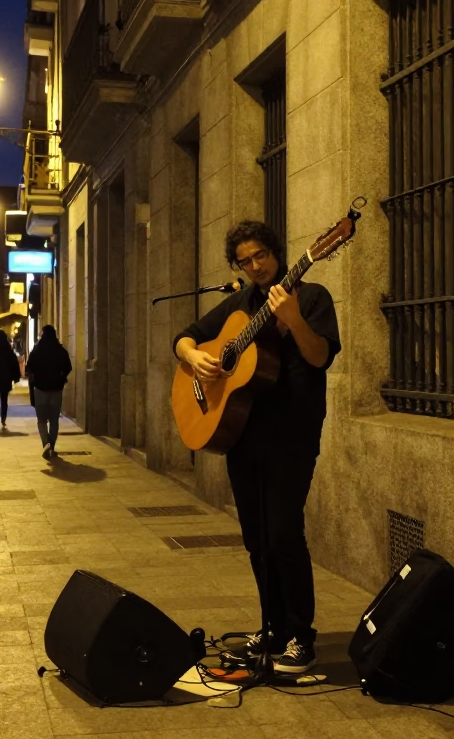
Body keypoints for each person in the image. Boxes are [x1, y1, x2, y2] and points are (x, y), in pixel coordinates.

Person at [172, 220, 340, 675]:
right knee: (256, 539)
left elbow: (320, 356)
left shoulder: (311, 297)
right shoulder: (240, 304)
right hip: (242, 436)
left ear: (276, 252)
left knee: (284, 535)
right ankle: (272, 627)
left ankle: (301, 636)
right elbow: (183, 337)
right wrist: (194, 356)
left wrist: (294, 321)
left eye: (260, 255)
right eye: (244, 261)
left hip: (292, 434)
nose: (254, 266)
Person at [25, 325, 72, 460]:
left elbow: (29, 368)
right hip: (56, 389)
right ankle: (51, 446)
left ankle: (45, 443)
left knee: (41, 420)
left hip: (40, 389)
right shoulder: (60, 350)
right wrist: (61, 377)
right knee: (54, 420)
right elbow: (68, 367)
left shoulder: (37, 350)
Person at [0, 329, 21, 430]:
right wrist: (16, 377)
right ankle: (3, 419)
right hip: (5, 378)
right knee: (4, 399)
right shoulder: (9, 351)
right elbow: (14, 365)